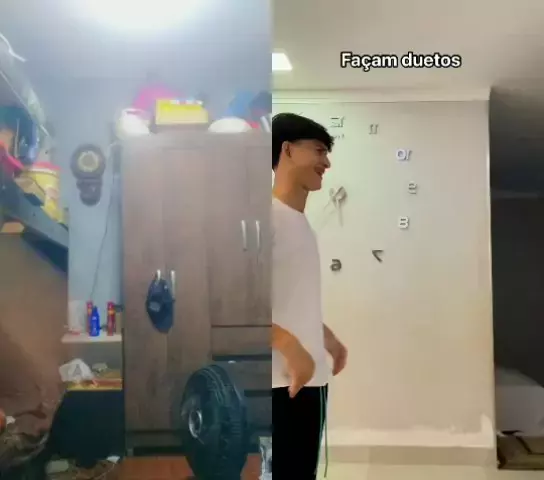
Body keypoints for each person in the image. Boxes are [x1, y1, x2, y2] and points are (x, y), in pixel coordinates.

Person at [272, 113, 348, 479]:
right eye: (319, 150)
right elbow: (240, 306)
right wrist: (291, 347)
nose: (326, 162)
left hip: (309, 378)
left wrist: (325, 337)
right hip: (282, 381)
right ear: (287, 150)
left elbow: (289, 300)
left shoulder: (300, 223)